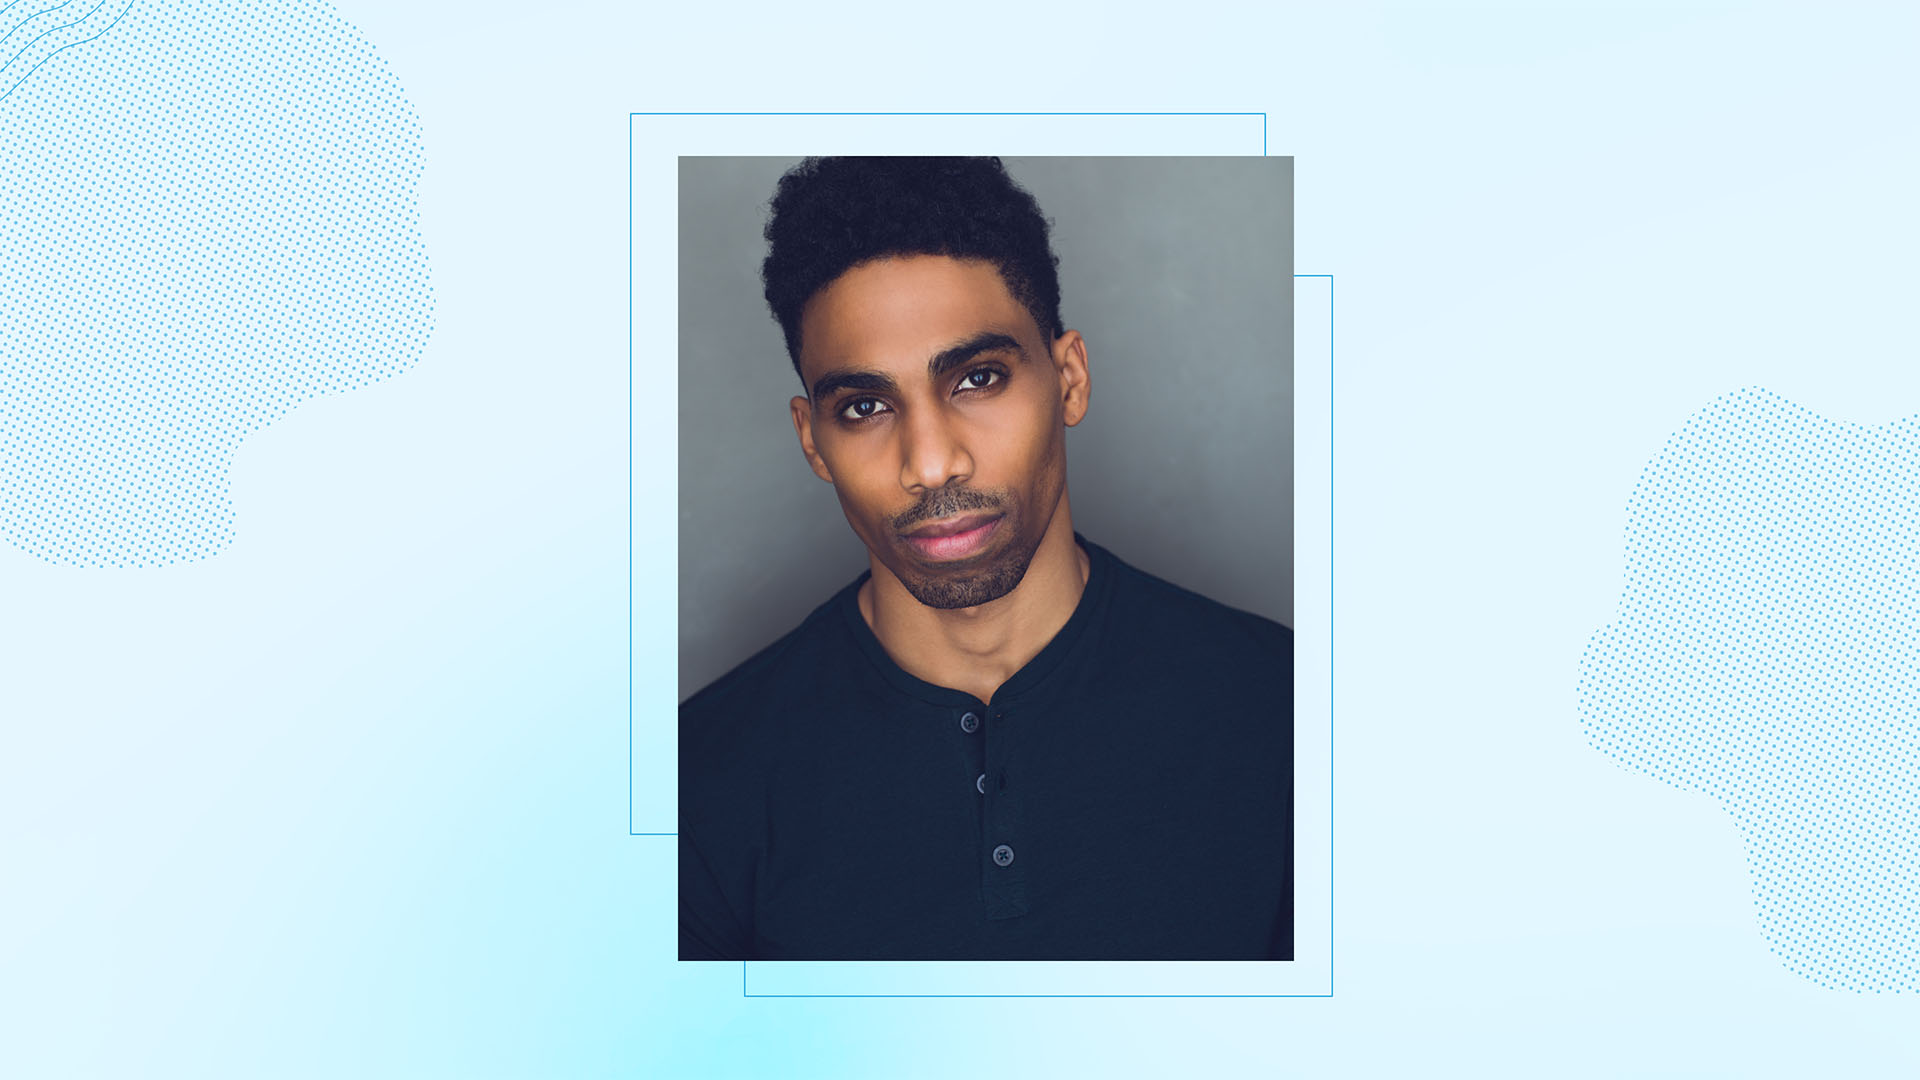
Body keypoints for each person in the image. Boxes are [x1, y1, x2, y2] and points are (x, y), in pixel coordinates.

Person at [679, 157, 1292, 960]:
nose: (931, 463)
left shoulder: (1293, 717)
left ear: (1069, 379)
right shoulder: (693, 785)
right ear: (812, 441)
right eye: (864, 406)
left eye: (977, 378)